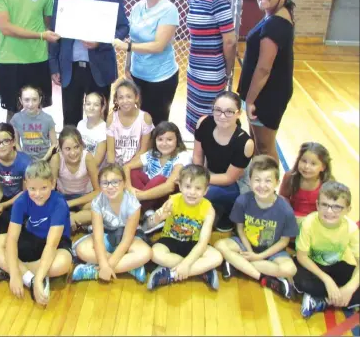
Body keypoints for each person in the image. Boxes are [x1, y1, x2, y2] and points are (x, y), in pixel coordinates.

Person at [50, 0, 129, 126]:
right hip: (70, 69)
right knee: (70, 120)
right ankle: (72, 153)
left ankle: (99, 154)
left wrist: (101, 41)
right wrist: (54, 66)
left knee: (99, 121)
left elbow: (123, 27)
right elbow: (54, 35)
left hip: (99, 69)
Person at [0, 161, 73, 306]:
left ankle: (9, 269)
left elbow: (51, 244)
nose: (37, 194)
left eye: (43, 188)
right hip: (30, 238)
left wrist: (37, 281)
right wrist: (15, 274)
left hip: (55, 243)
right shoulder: (21, 201)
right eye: (32, 189)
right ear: (25, 185)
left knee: (63, 264)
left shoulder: (59, 203)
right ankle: (26, 275)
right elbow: (12, 239)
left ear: (52, 183)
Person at [214, 155, 299, 300]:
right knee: (220, 245)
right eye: (257, 180)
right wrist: (249, 249)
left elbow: (284, 242)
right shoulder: (243, 201)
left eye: (268, 181)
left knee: (290, 269)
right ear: (250, 181)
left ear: (277, 183)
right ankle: (262, 277)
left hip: (272, 251)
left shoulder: (285, 209)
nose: (262, 185)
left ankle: (238, 265)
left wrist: (258, 256)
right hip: (246, 244)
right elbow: (240, 228)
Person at [237, 0, 297, 162]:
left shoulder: (275, 24)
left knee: (264, 146)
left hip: (266, 95)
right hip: (265, 93)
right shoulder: (277, 16)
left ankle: (270, 188)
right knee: (256, 142)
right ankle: (256, 180)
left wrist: (251, 101)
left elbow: (264, 68)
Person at [113, 0, 179, 126]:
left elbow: (158, 46)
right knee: (141, 122)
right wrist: (127, 67)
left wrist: (127, 47)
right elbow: (133, 37)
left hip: (161, 79)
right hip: (138, 76)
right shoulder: (137, 7)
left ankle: (157, 152)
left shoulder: (169, 9)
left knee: (157, 124)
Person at [185, 0, 237, 134]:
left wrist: (227, 70)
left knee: (209, 125)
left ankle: (207, 163)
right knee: (196, 124)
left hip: (211, 74)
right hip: (194, 71)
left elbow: (230, 41)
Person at [71, 164, 152, 283]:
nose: (110, 187)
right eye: (105, 183)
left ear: (124, 183)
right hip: (106, 235)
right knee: (82, 249)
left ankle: (93, 271)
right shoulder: (97, 203)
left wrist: (108, 265)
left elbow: (127, 240)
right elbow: (98, 238)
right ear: (100, 186)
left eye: (115, 182)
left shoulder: (133, 204)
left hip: (128, 237)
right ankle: (129, 268)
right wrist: (104, 265)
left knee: (146, 253)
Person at [146, 165, 223, 291]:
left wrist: (186, 264)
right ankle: (201, 271)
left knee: (217, 257)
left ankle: (170, 274)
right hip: (170, 239)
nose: (192, 192)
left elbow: (203, 243)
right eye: (187, 187)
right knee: (154, 253)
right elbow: (148, 225)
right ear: (180, 187)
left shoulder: (209, 209)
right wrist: (158, 217)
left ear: (206, 190)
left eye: (198, 188)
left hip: (194, 243)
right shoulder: (172, 201)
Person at [293, 181, 359, 318]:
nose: (329, 211)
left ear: (348, 209)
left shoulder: (351, 228)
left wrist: (350, 288)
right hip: (312, 265)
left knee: (354, 283)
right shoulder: (309, 223)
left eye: (337, 207)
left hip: (335, 265)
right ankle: (336, 299)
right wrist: (327, 280)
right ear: (317, 205)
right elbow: (302, 256)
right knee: (299, 279)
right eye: (325, 205)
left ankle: (322, 300)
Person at [193, 91, 254, 232]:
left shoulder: (244, 142)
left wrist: (199, 181)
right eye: (218, 110)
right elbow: (197, 155)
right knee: (184, 183)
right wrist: (194, 177)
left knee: (202, 192)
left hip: (236, 184)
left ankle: (228, 212)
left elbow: (229, 178)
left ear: (239, 114)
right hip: (210, 174)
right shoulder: (204, 123)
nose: (222, 116)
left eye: (229, 112)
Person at [125, 121, 192, 219]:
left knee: (159, 179)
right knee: (133, 172)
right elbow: (126, 167)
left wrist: (138, 196)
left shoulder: (183, 156)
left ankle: (135, 210)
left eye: (169, 139)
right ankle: (148, 212)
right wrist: (129, 188)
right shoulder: (153, 153)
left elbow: (169, 187)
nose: (164, 144)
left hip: (167, 198)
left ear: (177, 140)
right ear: (155, 141)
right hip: (146, 197)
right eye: (160, 139)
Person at [50, 126, 100, 231]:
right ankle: (75, 220)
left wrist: (71, 204)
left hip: (84, 198)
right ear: (60, 149)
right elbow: (50, 190)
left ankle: (71, 218)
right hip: (63, 197)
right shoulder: (56, 159)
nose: (73, 153)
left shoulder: (88, 158)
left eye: (76, 147)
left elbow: (98, 191)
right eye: (67, 149)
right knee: (49, 208)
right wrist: (61, 205)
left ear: (82, 146)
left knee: (99, 209)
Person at [279, 142, 333, 224]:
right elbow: (283, 198)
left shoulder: (328, 184)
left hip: (316, 222)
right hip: (292, 218)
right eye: (304, 161)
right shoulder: (290, 177)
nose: (307, 167)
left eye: (313, 164)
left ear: (323, 167)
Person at [106, 78, 154, 166]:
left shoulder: (145, 118)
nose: (125, 101)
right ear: (116, 100)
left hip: (136, 164)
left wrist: (127, 168)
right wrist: (114, 171)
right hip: (116, 165)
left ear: (136, 98)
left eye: (129, 97)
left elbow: (143, 151)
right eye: (121, 97)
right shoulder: (111, 118)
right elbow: (110, 151)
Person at [11, 85, 57, 161]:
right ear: (20, 100)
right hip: (25, 160)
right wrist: (24, 159)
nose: (31, 104)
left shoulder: (48, 119)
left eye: (34, 100)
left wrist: (43, 160)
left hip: (45, 159)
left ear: (40, 100)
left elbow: (54, 144)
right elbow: (16, 143)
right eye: (26, 100)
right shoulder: (16, 119)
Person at [77, 92, 107, 168]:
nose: (91, 108)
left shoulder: (104, 129)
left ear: (102, 108)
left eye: (96, 105)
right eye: (88, 104)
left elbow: (96, 163)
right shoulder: (80, 124)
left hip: (93, 171)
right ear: (84, 106)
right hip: (79, 165)